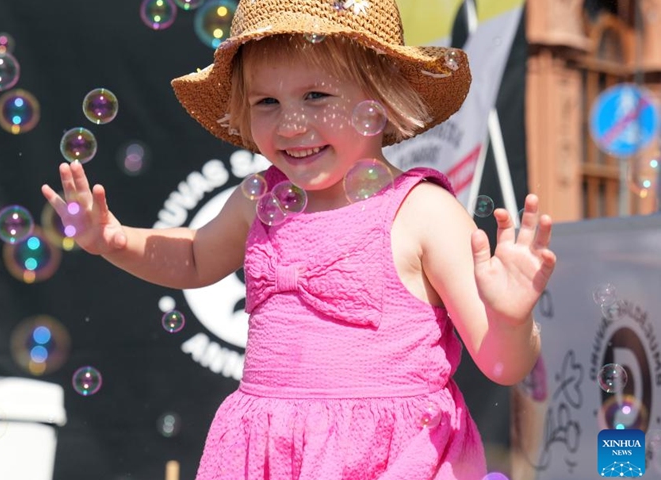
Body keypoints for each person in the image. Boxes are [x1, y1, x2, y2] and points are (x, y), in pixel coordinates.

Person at [42, 0, 557, 477]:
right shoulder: (257, 200)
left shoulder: (422, 211)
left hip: (391, 458)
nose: (290, 123)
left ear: (379, 98)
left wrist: (511, 318)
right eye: (266, 101)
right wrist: (111, 239)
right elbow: (197, 258)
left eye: (316, 95)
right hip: (268, 451)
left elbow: (502, 363)